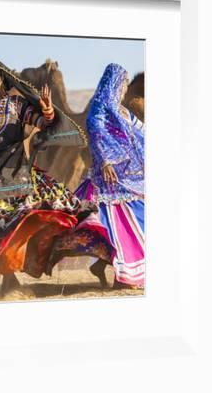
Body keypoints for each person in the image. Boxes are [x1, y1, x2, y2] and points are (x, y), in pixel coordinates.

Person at [0, 60, 87, 292]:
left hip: (17, 176)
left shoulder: (18, 106)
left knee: (17, 223)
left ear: (0, 79)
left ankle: (10, 276)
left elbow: (44, 122)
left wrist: (48, 108)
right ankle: (8, 277)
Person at [72, 63, 145, 288]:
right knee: (116, 225)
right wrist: (105, 161)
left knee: (134, 221)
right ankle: (123, 276)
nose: (125, 89)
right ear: (114, 84)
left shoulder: (122, 111)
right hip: (109, 180)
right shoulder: (100, 108)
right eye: (122, 84)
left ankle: (104, 265)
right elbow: (96, 133)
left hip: (129, 177)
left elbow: (140, 132)